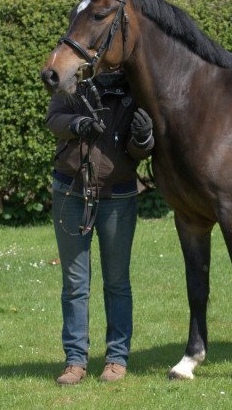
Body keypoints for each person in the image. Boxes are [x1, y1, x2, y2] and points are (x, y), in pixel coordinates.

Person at [46, 71, 154, 385]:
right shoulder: (72, 83)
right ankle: (75, 361)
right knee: (74, 283)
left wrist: (144, 138)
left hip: (118, 194)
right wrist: (76, 124)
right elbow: (53, 118)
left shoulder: (136, 89)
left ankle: (116, 359)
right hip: (70, 191)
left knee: (117, 282)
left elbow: (141, 151)